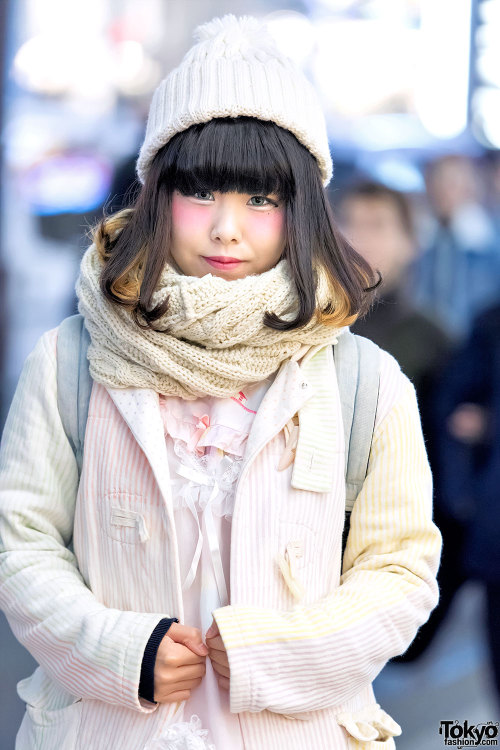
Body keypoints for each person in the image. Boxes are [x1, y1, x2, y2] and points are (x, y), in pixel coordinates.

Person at [0, 14, 442, 750]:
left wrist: (279, 655)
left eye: (261, 199)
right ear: (155, 195)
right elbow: (20, 540)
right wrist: (121, 652)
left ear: (299, 211)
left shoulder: (365, 379)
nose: (227, 228)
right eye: (201, 193)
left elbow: (399, 568)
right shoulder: (71, 359)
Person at [409, 154, 500, 343]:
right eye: (438, 183)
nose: (445, 193)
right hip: (428, 343)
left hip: (477, 343)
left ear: (471, 188)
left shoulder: (489, 243)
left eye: (453, 184)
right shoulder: (421, 242)